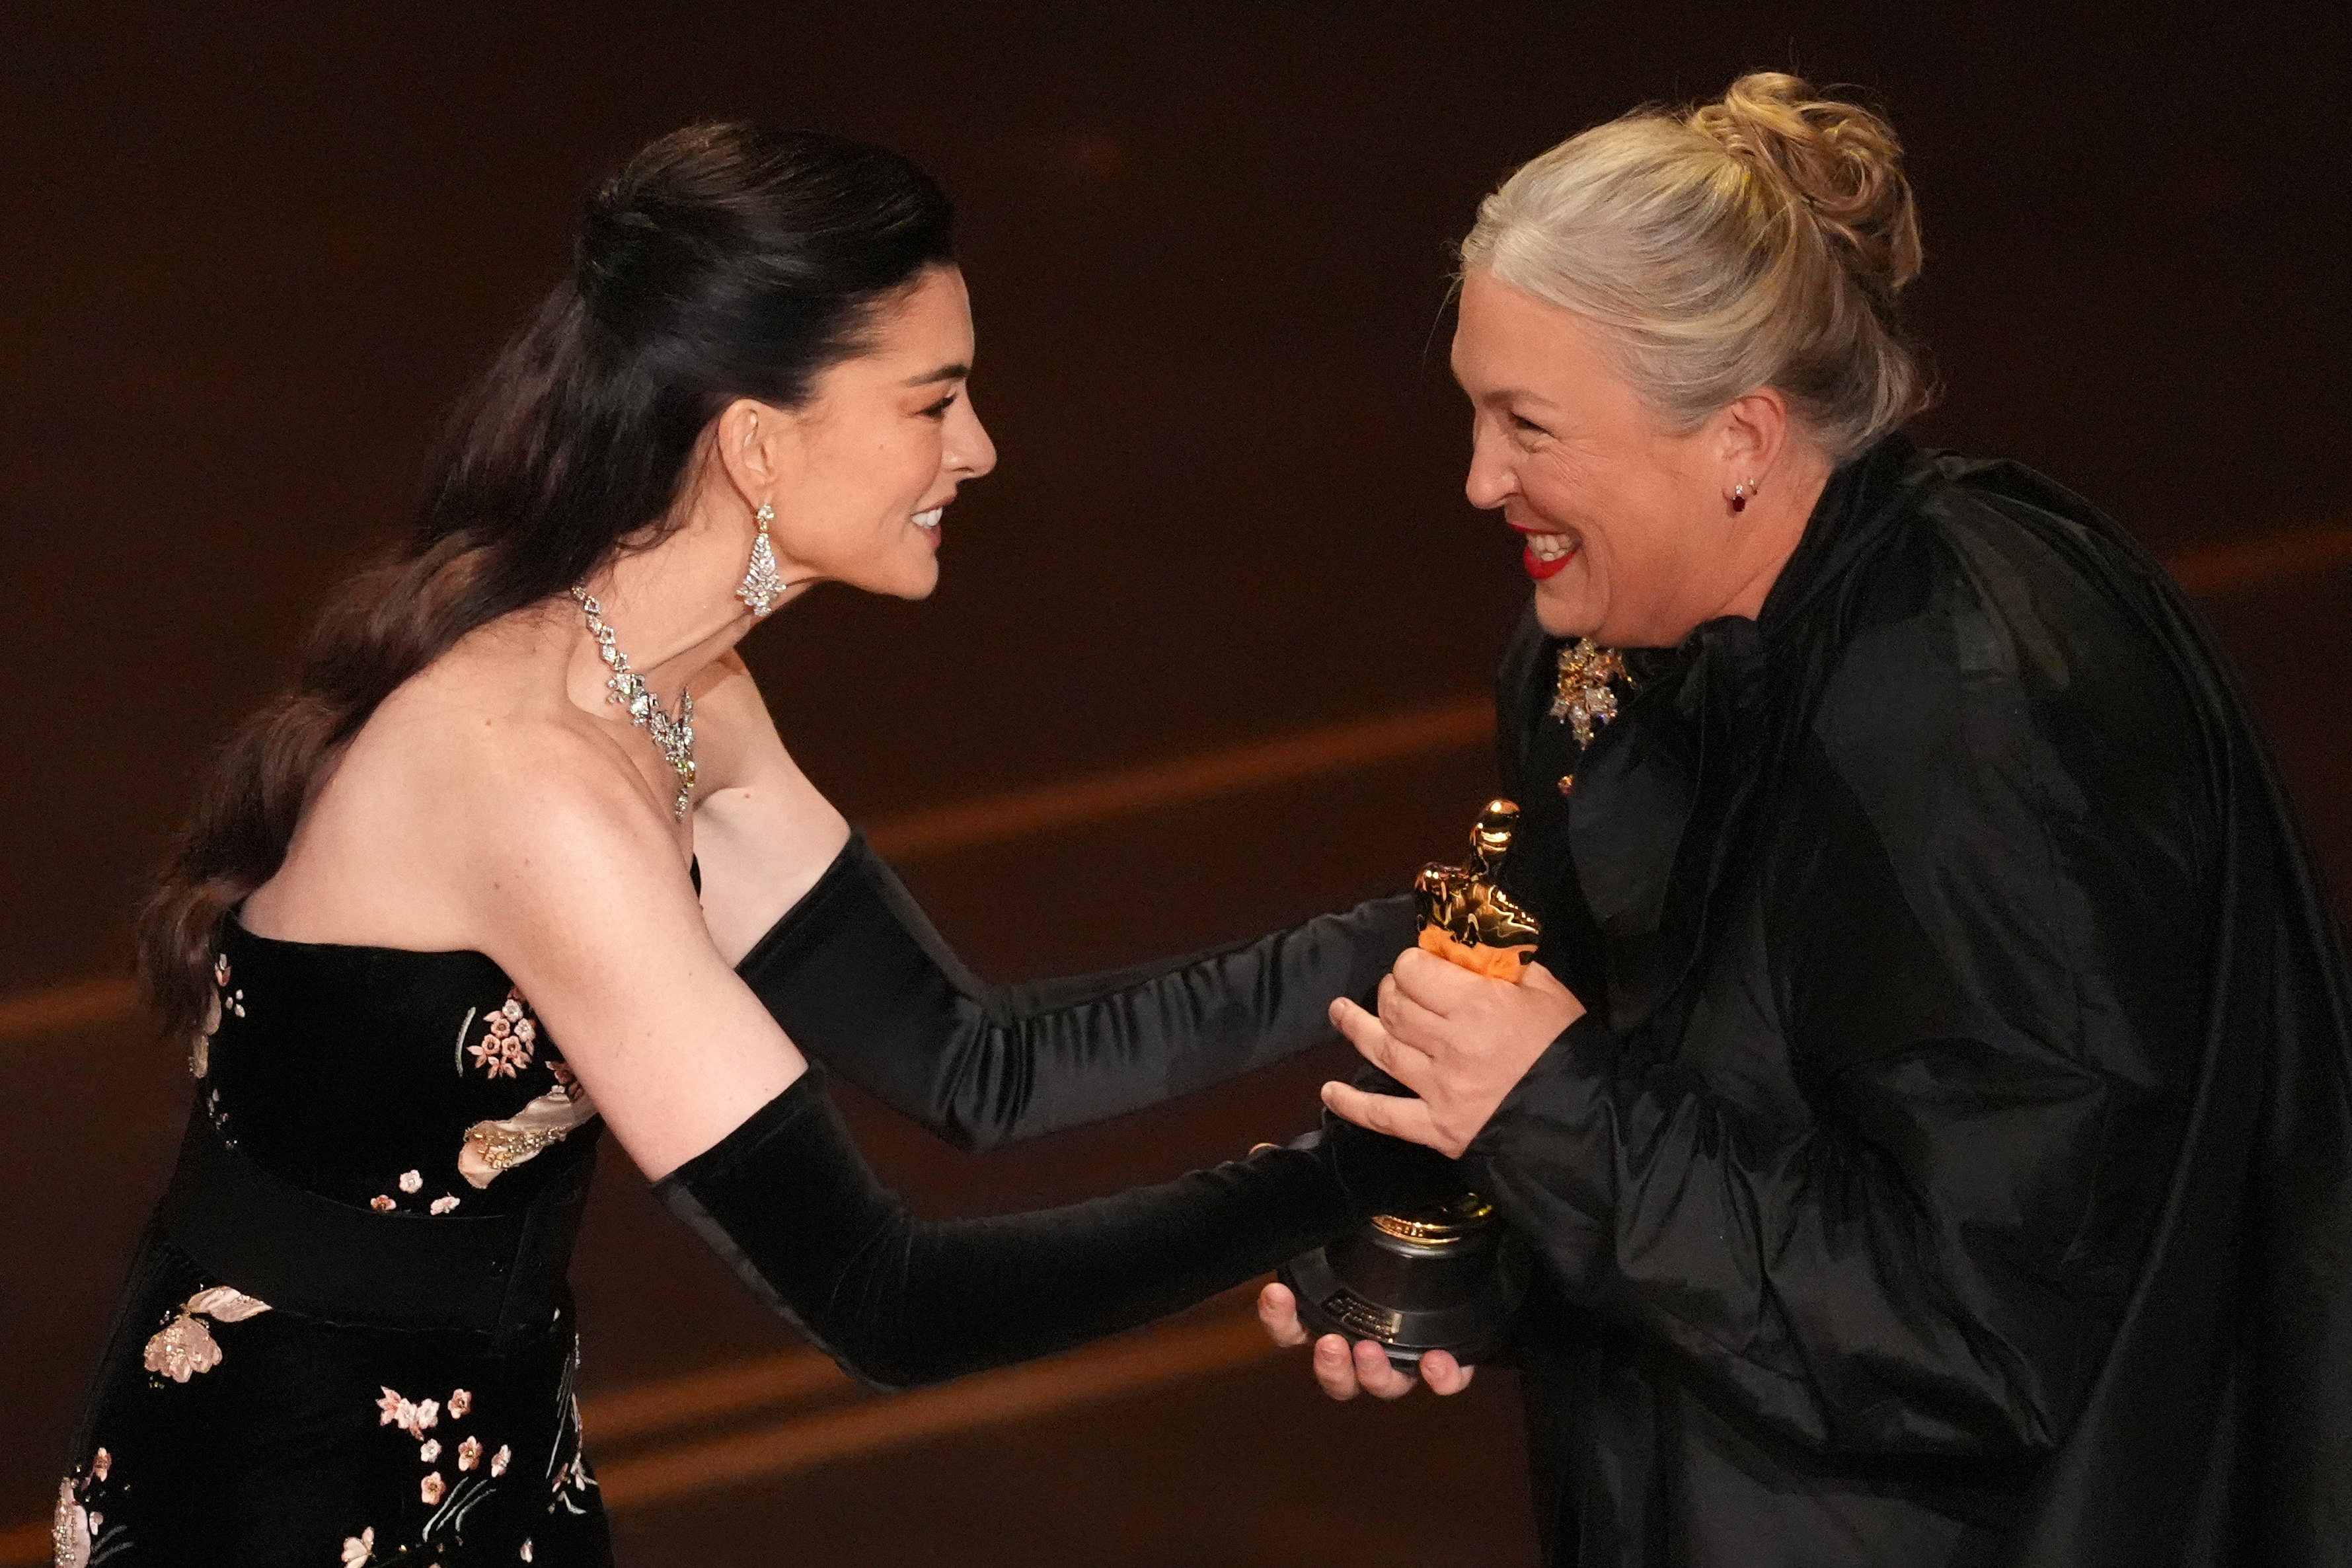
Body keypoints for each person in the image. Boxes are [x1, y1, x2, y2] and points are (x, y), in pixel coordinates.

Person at [54, 123, 1450, 1567]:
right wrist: (1344, 1174)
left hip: (476, 1441)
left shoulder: (677, 696)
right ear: (759, 439)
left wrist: (1423, 936)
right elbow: (882, 1298)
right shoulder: (537, 784)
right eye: (934, 400)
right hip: (292, 1497)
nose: (978, 448)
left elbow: (976, 1061)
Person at [1239, 72, 2351, 1566]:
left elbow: (1987, 1330)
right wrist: (1449, 1241)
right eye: (1473, 412)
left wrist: (1550, 1112)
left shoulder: (1981, 723)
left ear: (1742, 438)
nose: (1480, 478)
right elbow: (1689, 1138)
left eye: (1529, 425)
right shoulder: (1599, 653)